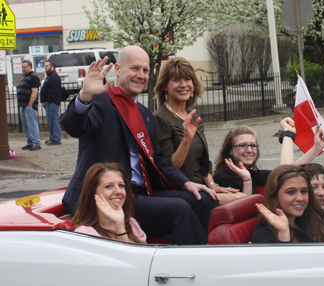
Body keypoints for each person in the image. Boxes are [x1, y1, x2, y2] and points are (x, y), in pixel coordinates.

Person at [60, 45, 219, 245]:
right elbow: (71, 126)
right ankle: (191, 263)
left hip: (138, 193)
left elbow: (158, 160)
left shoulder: (144, 114)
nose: (141, 75)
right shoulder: (100, 101)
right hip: (105, 195)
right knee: (179, 209)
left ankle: (205, 250)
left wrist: (186, 182)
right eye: (135, 68)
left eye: (145, 70)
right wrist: (84, 97)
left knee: (203, 199)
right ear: (118, 70)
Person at [153, 57, 245, 204]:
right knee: (243, 201)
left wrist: (212, 185)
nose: (183, 85)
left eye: (187, 79)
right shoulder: (159, 118)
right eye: (176, 80)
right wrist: (186, 140)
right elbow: (170, 169)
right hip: (183, 191)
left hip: (203, 186)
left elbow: (202, 161)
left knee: (245, 198)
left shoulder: (194, 115)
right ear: (165, 85)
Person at [251, 165, 324, 243]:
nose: (300, 198)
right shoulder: (263, 234)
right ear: (274, 195)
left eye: (304, 191)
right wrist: (283, 234)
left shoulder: (311, 222)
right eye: (291, 192)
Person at [72, 163, 147, 243]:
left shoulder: (132, 223)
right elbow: (125, 255)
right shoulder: (84, 233)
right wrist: (119, 225)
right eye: (109, 186)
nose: (118, 191)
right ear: (92, 193)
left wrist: (120, 224)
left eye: (121, 185)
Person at [213, 126, 270, 196]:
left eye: (253, 145)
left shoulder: (251, 173)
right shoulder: (223, 177)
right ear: (230, 150)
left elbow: (282, 174)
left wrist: (286, 134)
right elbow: (244, 205)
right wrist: (247, 180)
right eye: (243, 145)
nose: (249, 150)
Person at [18, 60, 41, 151]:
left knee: (32, 124)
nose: (23, 69)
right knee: (26, 125)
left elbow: (34, 92)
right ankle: (30, 142)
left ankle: (36, 143)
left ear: (30, 67)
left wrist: (30, 104)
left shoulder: (33, 77)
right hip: (22, 105)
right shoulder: (25, 77)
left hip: (29, 106)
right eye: (22, 67)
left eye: (25, 67)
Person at [40, 60, 62, 145]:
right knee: (51, 121)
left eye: (46, 66)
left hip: (52, 102)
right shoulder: (50, 76)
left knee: (54, 120)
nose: (45, 68)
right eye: (45, 66)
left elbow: (54, 91)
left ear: (51, 67)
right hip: (50, 102)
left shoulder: (54, 77)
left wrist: (49, 100)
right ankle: (53, 138)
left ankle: (56, 139)